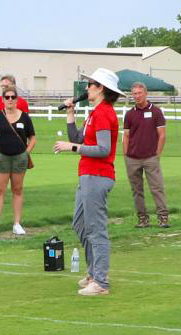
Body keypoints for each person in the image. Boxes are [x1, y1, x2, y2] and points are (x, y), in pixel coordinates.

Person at [53, 67, 120, 296]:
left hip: (98, 175)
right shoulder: (94, 112)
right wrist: (70, 113)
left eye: (90, 84)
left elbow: (103, 149)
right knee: (80, 225)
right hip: (88, 175)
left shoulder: (104, 113)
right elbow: (77, 137)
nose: (87, 88)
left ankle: (100, 281)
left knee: (95, 229)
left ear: (100, 88)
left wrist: (73, 148)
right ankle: (94, 273)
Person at [0, 89, 36, 235]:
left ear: (17, 99)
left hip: (19, 157)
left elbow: (32, 137)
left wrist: (26, 152)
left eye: (13, 97)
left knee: (17, 190)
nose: (10, 99)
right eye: (7, 97)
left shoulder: (25, 117)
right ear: (3, 99)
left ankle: (17, 223)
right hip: (2, 157)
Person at [122, 82, 169, 227]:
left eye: (139, 93)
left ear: (145, 93)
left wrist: (157, 154)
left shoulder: (156, 112)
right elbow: (126, 136)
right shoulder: (130, 114)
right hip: (132, 158)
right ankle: (142, 219)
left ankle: (163, 217)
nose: (136, 96)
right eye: (134, 94)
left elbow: (162, 135)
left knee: (157, 188)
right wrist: (126, 155)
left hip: (150, 158)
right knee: (137, 190)